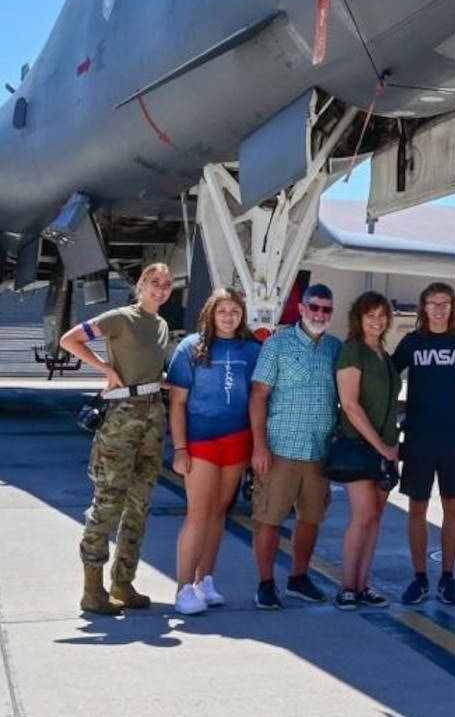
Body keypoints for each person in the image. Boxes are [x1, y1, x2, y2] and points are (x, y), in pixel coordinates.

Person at [61, 262, 176, 616]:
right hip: (122, 418)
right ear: (141, 284)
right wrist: (107, 370)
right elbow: (70, 339)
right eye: (154, 282)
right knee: (108, 502)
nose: (160, 289)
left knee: (140, 505)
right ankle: (92, 590)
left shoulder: (161, 325)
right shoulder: (121, 318)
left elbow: (151, 367)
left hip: (153, 417)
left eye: (167, 285)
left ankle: (123, 583)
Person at [166, 288, 262, 616]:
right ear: (211, 312)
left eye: (235, 311)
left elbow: (257, 398)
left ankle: (205, 580)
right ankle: (183, 588)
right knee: (199, 512)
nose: (228, 317)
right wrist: (180, 448)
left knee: (220, 512)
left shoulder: (252, 349)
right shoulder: (190, 348)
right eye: (222, 311)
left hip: (237, 440)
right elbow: (177, 403)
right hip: (201, 440)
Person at [248, 282, 342, 610]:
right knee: (269, 518)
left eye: (326, 309)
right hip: (280, 449)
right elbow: (259, 395)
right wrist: (259, 447)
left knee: (311, 518)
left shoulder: (335, 348)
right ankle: (265, 583)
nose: (319, 313)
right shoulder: (277, 345)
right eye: (313, 307)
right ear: (301, 309)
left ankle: (299, 578)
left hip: (319, 451)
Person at [391, 282, 455, 605]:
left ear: (452, 307)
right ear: (424, 308)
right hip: (418, 437)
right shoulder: (413, 342)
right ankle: (419, 579)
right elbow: (388, 375)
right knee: (417, 508)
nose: (439, 309)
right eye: (433, 303)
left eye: (445, 304)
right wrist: (400, 406)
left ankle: (447, 578)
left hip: (454, 436)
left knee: (452, 507)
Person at [332, 290, 402, 610]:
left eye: (381, 315)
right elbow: (350, 404)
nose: (376, 321)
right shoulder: (353, 351)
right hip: (362, 447)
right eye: (370, 315)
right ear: (358, 319)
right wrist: (382, 446)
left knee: (375, 517)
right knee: (361, 516)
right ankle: (346, 586)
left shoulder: (383, 355)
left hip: (386, 449)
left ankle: (362, 585)